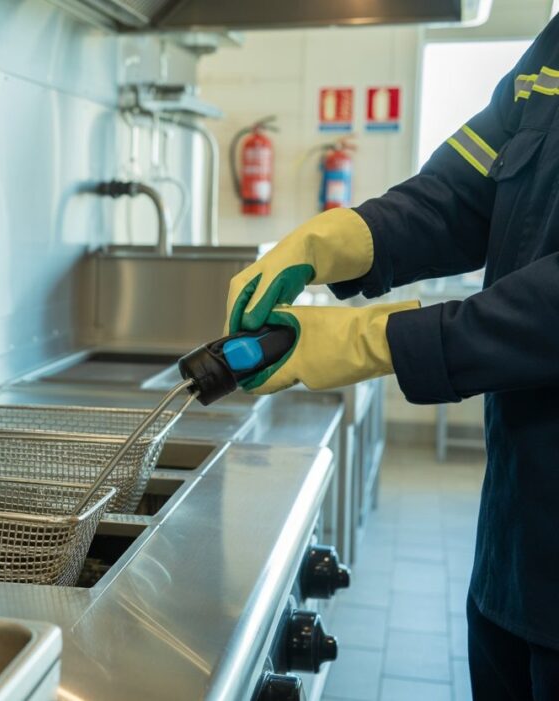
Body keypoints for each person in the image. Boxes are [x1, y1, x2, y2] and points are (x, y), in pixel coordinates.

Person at [225, 15, 559, 699]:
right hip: (516, 548)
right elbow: (460, 195)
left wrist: (373, 338)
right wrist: (337, 239)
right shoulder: (551, 48)